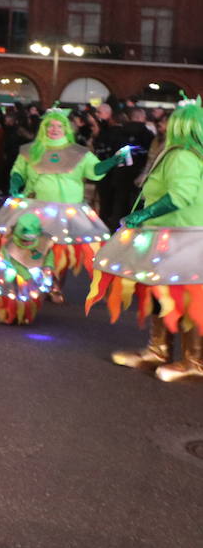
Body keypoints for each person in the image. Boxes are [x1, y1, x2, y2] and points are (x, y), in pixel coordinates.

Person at [87, 100, 203, 381]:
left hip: (181, 237)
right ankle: (159, 350)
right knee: (160, 292)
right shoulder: (184, 154)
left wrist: (144, 214)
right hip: (170, 236)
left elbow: (180, 196)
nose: (161, 125)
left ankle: (194, 361)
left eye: (168, 122)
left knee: (185, 297)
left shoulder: (183, 155)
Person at [0, 107, 129, 290]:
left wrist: (113, 161)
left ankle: (56, 285)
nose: (54, 129)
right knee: (33, 244)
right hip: (36, 206)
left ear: (66, 129)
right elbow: (18, 171)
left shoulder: (79, 153)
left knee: (60, 248)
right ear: (44, 128)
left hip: (67, 210)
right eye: (50, 126)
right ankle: (32, 282)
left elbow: (94, 171)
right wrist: (15, 183)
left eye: (59, 126)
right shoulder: (30, 150)